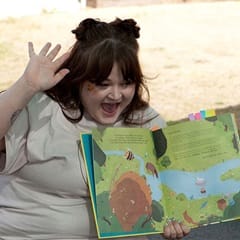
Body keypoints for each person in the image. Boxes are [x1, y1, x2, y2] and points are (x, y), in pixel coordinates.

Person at [0, 17, 190, 239]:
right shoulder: (43, 110)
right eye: (103, 84)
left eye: (126, 83)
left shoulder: (146, 122)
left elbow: (168, 196)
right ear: (80, 79)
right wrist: (26, 86)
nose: (116, 95)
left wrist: (171, 220)